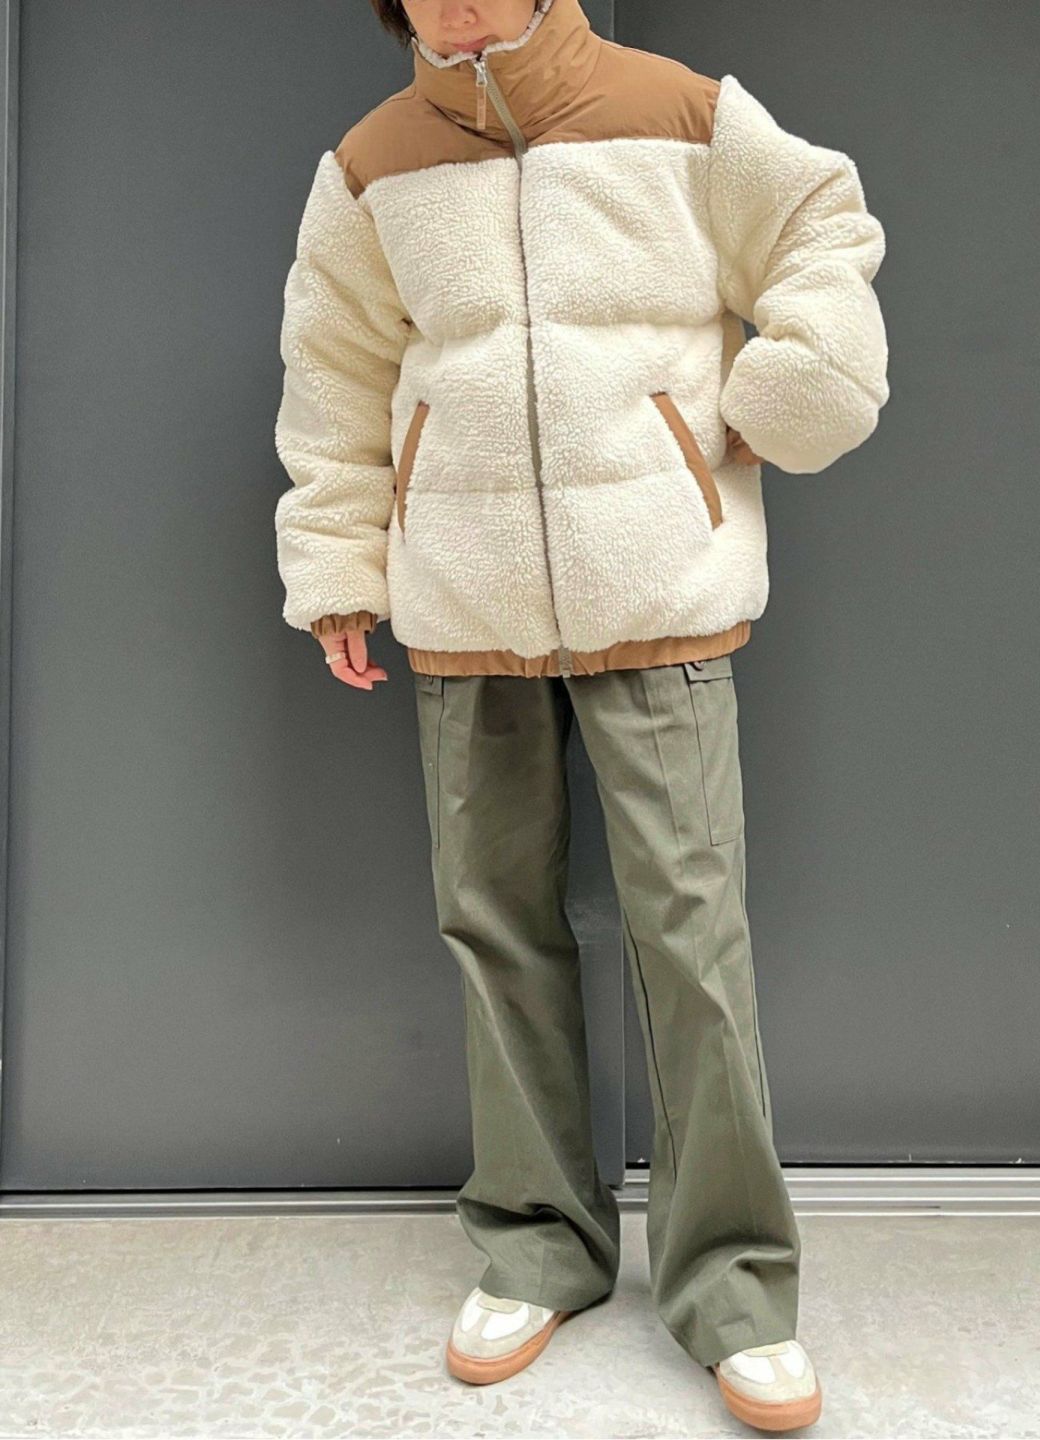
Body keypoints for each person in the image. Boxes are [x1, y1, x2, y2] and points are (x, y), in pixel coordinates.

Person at [273, 0, 888, 1429]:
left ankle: (734, 1287)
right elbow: (336, 373)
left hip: (659, 581)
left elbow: (823, 227)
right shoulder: (371, 165)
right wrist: (340, 567)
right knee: (492, 924)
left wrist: (786, 390)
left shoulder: (679, 110)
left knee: (693, 929)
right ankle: (537, 1246)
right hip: (461, 596)